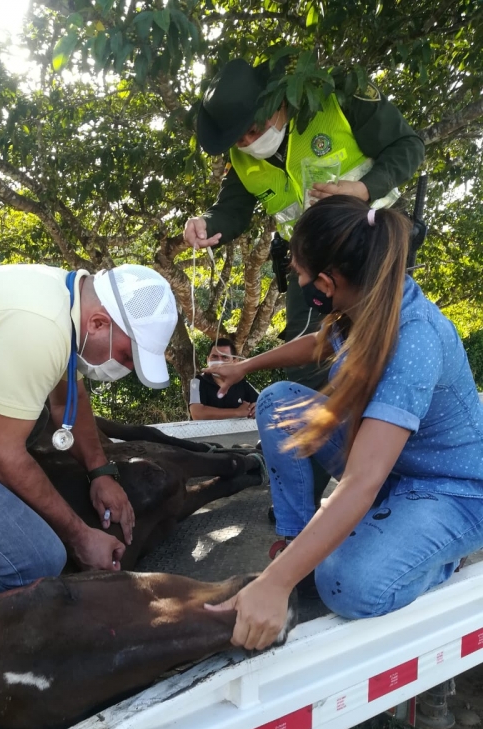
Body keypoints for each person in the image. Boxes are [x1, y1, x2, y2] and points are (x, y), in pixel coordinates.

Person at [204, 196, 483, 651]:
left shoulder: (413, 340)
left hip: (452, 489)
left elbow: (360, 482)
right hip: (394, 468)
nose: (297, 280)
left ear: (328, 282)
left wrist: (273, 586)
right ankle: (296, 545)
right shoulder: (367, 304)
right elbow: (318, 342)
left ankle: (438, 561)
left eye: (299, 273)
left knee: (347, 585)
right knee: (277, 405)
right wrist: (244, 367)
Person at [0, 263, 178, 595]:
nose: (124, 368)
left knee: (30, 422)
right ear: (98, 323)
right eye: (126, 356)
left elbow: (69, 395)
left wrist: (100, 473)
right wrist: (79, 535)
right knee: (37, 562)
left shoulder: (63, 299)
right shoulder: (39, 324)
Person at [184, 57, 425, 390]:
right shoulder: (240, 158)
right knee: (308, 359)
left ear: (278, 101)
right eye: (238, 140)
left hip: (368, 246)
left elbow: (407, 147)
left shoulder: (337, 99)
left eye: (253, 130)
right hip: (308, 264)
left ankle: (384, 425)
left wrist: (363, 189)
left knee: (385, 341)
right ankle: (325, 434)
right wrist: (205, 224)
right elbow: (231, 209)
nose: (249, 144)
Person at [189, 337, 258, 420]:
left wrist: (256, 408)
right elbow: (197, 414)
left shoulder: (242, 382)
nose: (219, 361)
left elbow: (262, 403)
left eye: (225, 357)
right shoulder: (196, 382)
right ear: (207, 360)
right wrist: (237, 412)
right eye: (214, 357)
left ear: (234, 361)